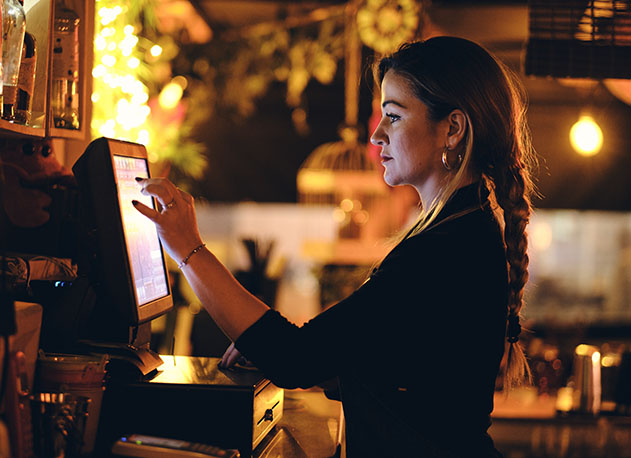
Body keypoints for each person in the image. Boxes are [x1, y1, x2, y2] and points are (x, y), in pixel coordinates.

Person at [133, 36, 536, 457]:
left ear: (452, 129)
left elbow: (293, 358)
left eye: (394, 116)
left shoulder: (446, 247)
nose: (378, 135)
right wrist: (302, 361)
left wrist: (187, 248)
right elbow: (415, 379)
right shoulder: (462, 229)